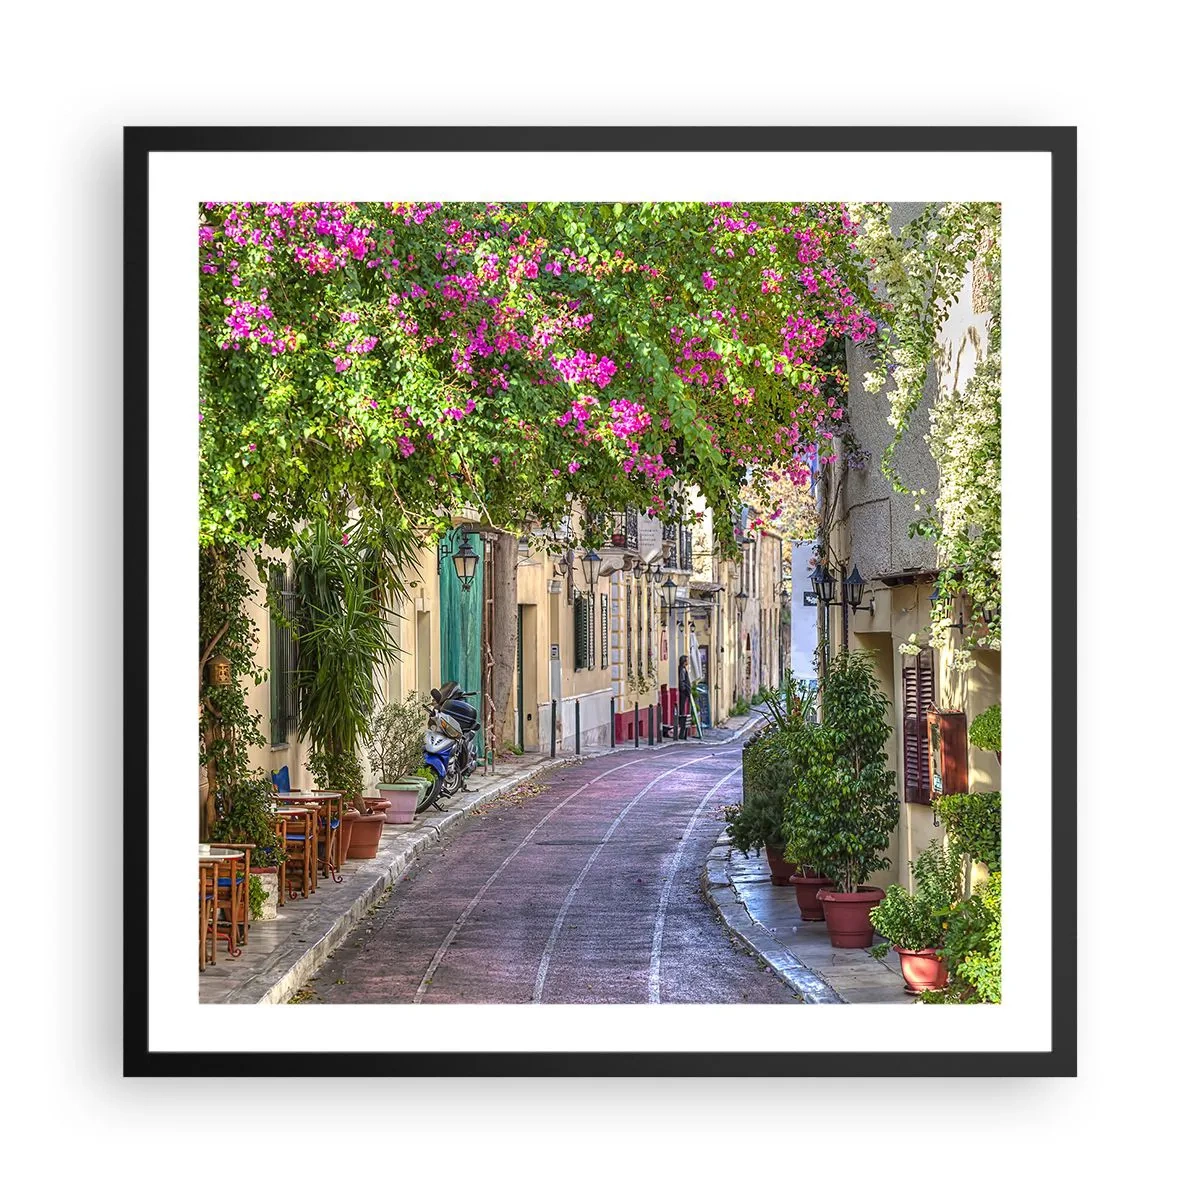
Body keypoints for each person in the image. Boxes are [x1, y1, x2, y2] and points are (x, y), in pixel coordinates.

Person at [678, 655, 691, 738]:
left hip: (684, 691)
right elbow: (682, 680)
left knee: (683, 709)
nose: (688, 662)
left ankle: (682, 730)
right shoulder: (682, 669)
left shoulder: (683, 669)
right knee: (682, 709)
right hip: (683, 692)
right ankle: (681, 729)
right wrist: (684, 689)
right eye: (687, 660)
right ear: (684, 661)